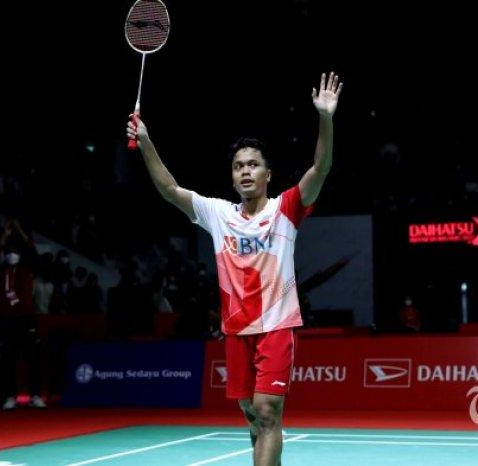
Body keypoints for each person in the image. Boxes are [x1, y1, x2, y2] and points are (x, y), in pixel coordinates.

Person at [127, 72, 342, 466]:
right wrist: (145, 141)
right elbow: (170, 190)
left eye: (253, 165)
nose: (245, 171)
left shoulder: (285, 208)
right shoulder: (218, 214)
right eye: (239, 166)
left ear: (267, 174)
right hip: (236, 329)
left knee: (267, 411)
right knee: (252, 415)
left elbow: (321, 168)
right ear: (232, 175)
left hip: (276, 326)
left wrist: (325, 118)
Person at [0, 219, 46, 409]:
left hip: (26, 319)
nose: (11, 255)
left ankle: (35, 395)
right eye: (9, 252)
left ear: (20, 255)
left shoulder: (26, 269)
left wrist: (20, 231)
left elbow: (33, 252)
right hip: (6, 321)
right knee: (8, 360)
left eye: (15, 252)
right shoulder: (0, 272)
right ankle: (10, 396)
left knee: (33, 358)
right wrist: (4, 237)